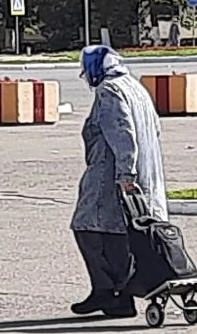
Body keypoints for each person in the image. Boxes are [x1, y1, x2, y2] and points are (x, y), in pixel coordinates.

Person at [70, 45, 168, 318]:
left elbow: (123, 134)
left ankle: (108, 292)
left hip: (110, 176)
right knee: (123, 235)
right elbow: (155, 128)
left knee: (88, 228)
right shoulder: (134, 87)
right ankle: (120, 296)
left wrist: (126, 175)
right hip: (146, 173)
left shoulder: (109, 91)